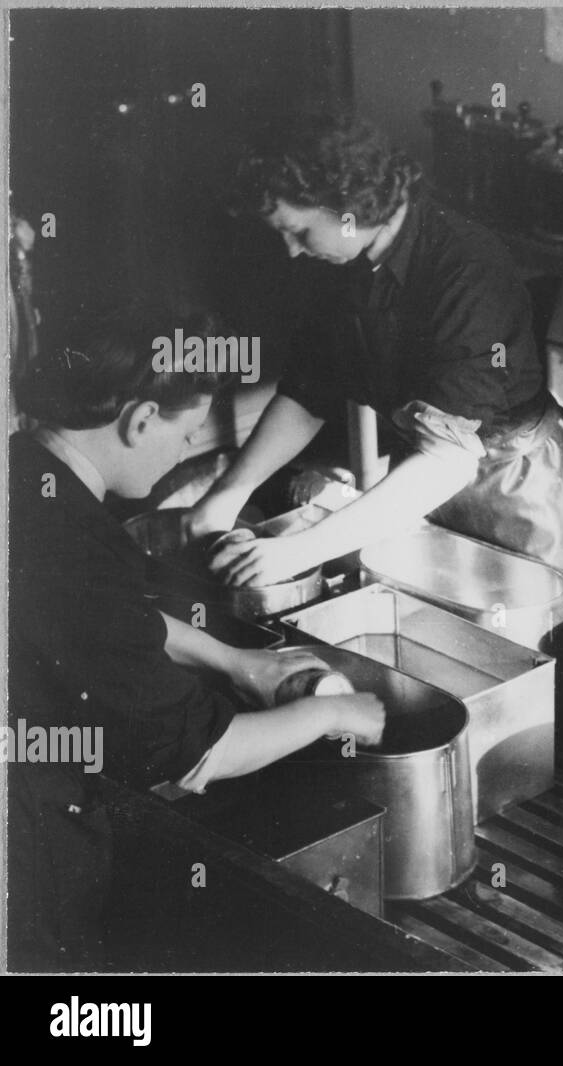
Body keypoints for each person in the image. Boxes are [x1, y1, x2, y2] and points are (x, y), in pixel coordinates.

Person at [7, 309, 385, 970]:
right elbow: (203, 752)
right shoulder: (76, 551)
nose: (187, 452)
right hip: (32, 844)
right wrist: (339, 711)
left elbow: (117, 625)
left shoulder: (31, 477)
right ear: (140, 420)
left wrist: (237, 661)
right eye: (185, 434)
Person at [184, 113, 563, 587]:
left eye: (300, 232)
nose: (291, 251)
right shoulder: (337, 263)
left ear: (347, 204)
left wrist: (300, 550)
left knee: (554, 637)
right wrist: (229, 492)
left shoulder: (466, 265)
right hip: (422, 486)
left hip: (521, 489)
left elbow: (449, 459)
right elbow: (309, 394)